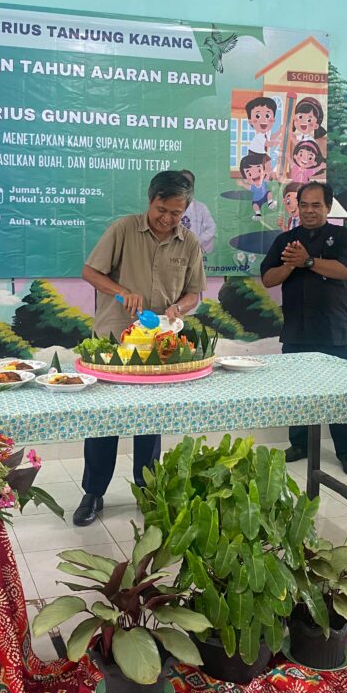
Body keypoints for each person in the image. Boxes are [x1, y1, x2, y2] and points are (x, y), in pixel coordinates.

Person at [73, 171, 206, 526]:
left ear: (186, 209)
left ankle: (147, 491)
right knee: (103, 420)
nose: (167, 218)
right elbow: (90, 272)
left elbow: (194, 292)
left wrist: (180, 307)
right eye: (162, 209)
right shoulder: (123, 229)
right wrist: (121, 292)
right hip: (113, 341)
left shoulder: (189, 242)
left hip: (158, 346)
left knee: (150, 420)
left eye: (176, 213)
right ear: (150, 200)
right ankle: (93, 493)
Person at [260, 181, 347, 476]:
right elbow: (268, 278)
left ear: (328, 207)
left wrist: (308, 260)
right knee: (297, 393)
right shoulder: (286, 240)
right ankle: (300, 444)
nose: (309, 211)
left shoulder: (343, 237)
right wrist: (291, 265)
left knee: (343, 394)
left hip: (335, 331)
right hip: (297, 331)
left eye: (316, 205)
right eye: (304, 205)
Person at [178, 169, 217, 254]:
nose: (186, 185)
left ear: (192, 186)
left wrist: (197, 241)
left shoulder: (201, 208)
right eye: (182, 182)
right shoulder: (167, 207)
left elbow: (211, 228)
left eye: (189, 183)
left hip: (195, 252)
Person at [240, 152, 276, 219]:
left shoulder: (264, 181)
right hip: (257, 200)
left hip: (265, 196)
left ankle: (270, 203)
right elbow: (248, 187)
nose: (255, 174)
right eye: (249, 174)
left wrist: (268, 172)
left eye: (259, 170)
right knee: (255, 205)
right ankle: (258, 214)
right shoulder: (253, 186)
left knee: (269, 193)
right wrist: (242, 184)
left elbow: (268, 176)